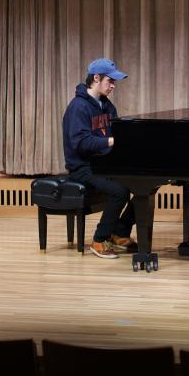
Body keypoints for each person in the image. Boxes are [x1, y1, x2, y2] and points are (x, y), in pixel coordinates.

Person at [63, 58, 137, 259]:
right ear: (96, 78)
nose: (113, 85)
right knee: (119, 192)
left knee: (145, 185)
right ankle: (99, 240)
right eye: (110, 81)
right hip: (83, 167)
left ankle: (120, 232)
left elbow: (114, 132)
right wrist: (112, 142)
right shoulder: (79, 106)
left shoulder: (106, 106)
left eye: (114, 82)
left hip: (103, 165)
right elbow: (81, 143)